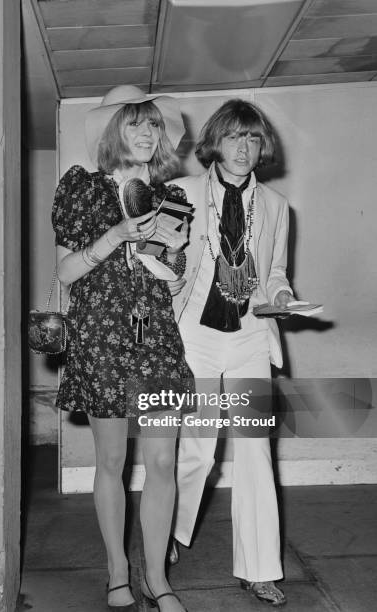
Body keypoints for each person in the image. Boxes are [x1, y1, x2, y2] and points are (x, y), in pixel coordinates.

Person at [51, 85, 192, 612]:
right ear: (114, 132)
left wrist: (169, 263)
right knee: (111, 459)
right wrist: (115, 236)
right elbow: (65, 273)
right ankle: (117, 572)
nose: (146, 132)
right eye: (135, 123)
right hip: (101, 336)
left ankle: (158, 579)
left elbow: (172, 281)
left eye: (153, 124)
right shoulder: (80, 189)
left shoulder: (170, 196)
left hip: (154, 338)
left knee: (161, 462)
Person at [167, 99, 293, 607]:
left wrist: (281, 295)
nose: (245, 148)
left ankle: (260, 567)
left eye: (254, 139)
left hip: (248, 338)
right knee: (197, 446)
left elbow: (276, 272)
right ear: (215, 142)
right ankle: (169, 534)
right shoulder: (182, 193)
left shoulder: (279, 207)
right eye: (236, 137)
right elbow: (160, 265)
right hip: (193, 337)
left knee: (256, 451)